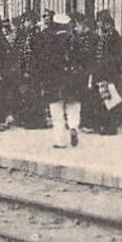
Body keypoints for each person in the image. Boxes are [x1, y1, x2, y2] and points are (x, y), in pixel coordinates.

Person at [36, 12, 89, 147]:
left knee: (57, 112)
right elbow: (84, 61)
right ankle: (73, 127)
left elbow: (43, 62)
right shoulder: (76, 41)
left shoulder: (49, 41)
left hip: (54, 81)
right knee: (73, 107)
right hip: (73, 80)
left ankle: (60, 141)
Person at [87, 10, 122, 135]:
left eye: (100, 21)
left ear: (105, 22)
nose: (98, 24)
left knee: (110, 100)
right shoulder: (105, 35)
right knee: (104, 99)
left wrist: (113, 65)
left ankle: (110, 127)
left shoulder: (113, 36)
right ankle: (103, 125)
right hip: (102, 72)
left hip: (109, 73)